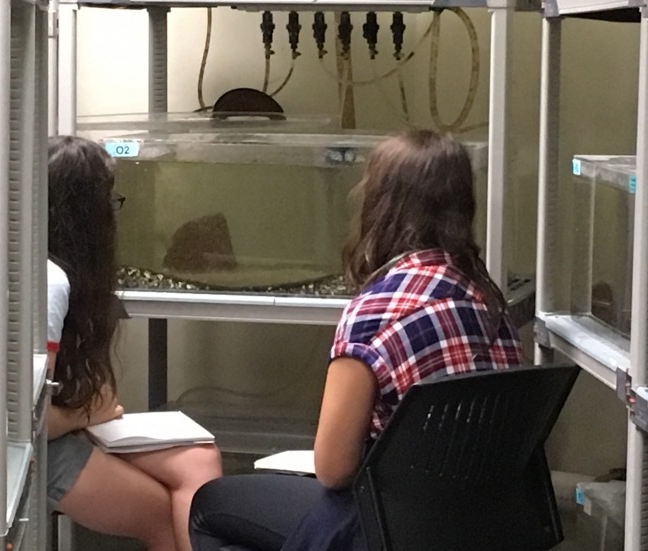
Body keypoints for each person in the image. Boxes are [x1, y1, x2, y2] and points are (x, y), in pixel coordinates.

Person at [188, 130, 524, 551]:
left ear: (380, 205)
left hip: (389, 528)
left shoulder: (376, 313)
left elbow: (333, 468)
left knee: (209, 504)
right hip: (480, 526)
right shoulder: (489, 300)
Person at [45, 135, 223, 551]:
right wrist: (83, 416)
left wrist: (87, 407)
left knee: (200, 459)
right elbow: (21, 421)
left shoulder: (59, 273)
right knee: (161, 514)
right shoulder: (48, 283)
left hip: (68, 428)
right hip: (36, 449)